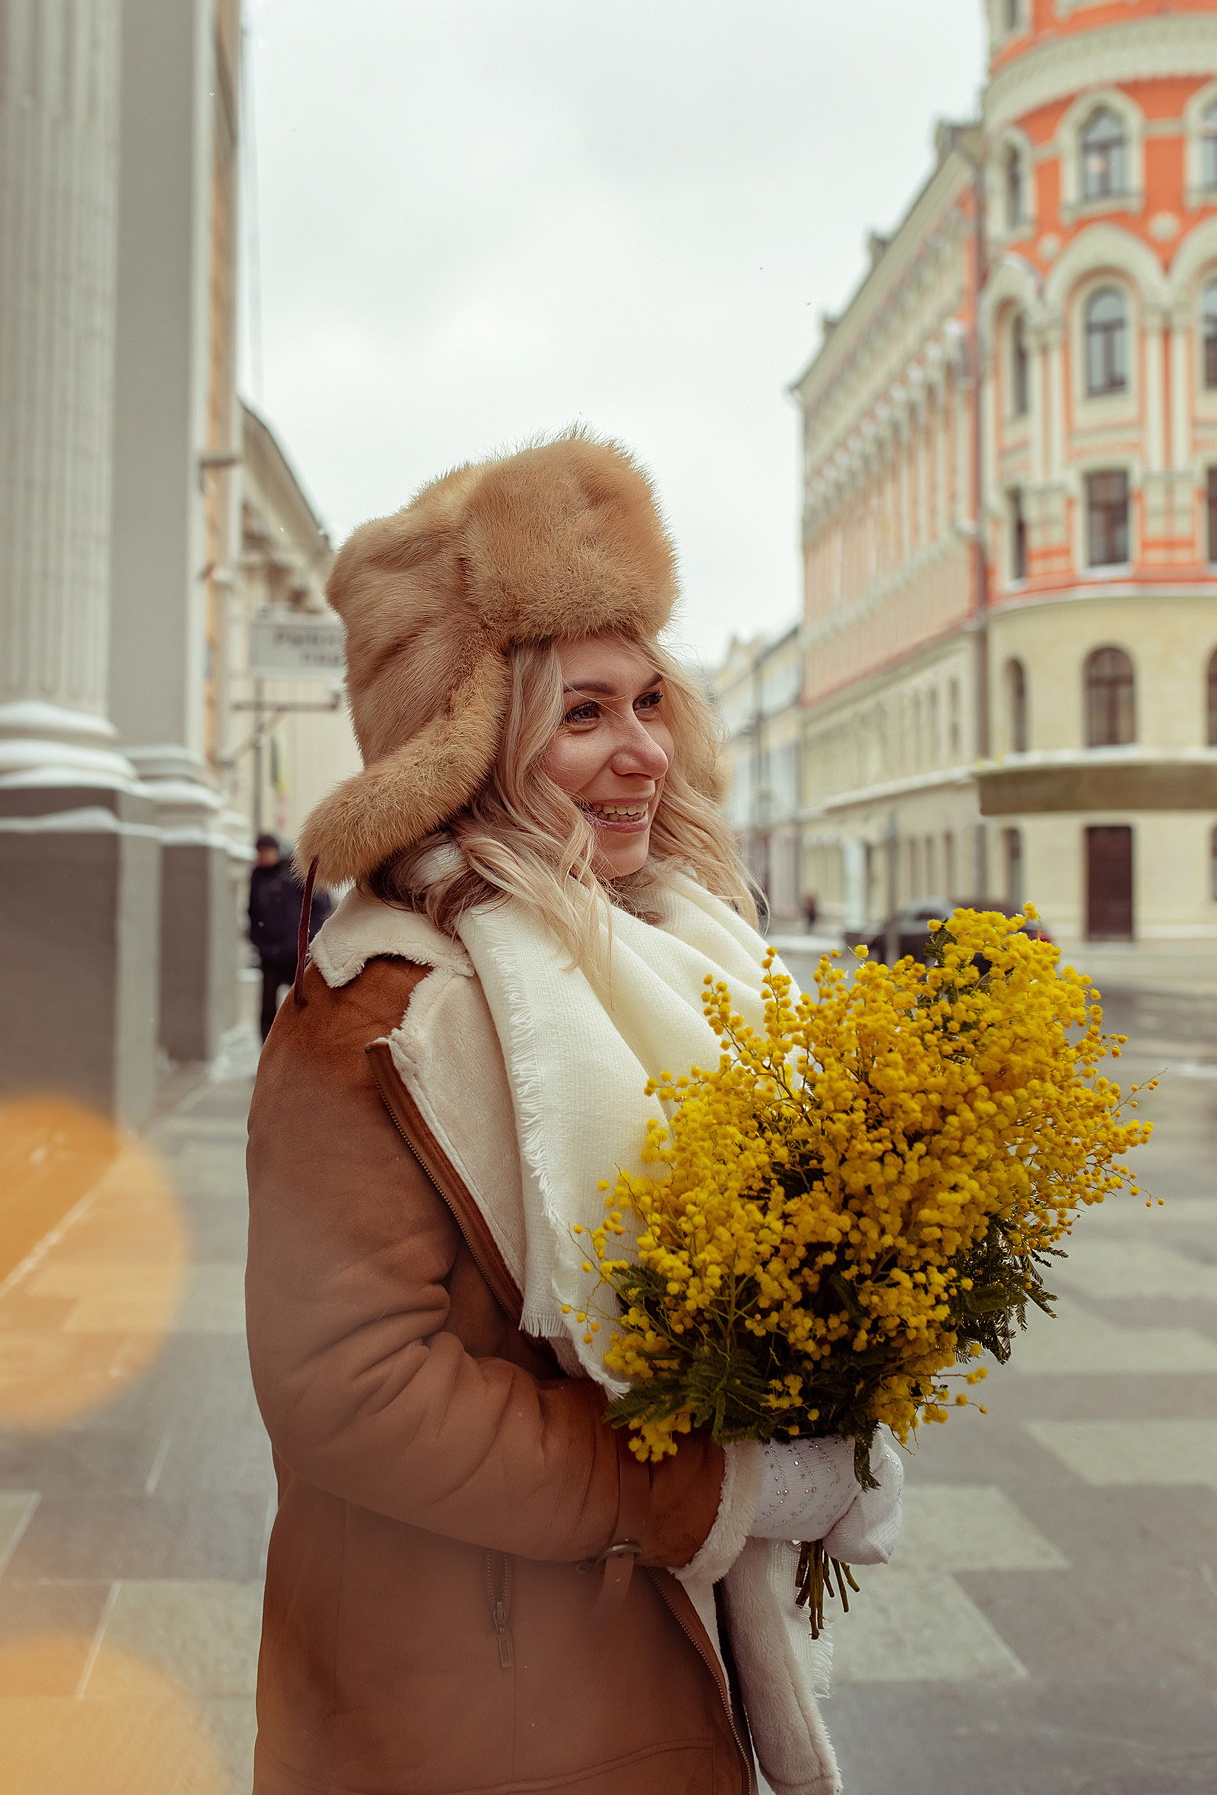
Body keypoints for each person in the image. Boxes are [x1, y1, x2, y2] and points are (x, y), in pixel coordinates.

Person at [245, 432, 902, 1795]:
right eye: (583, 713)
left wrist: (829, 1405)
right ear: (474, 746)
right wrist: (710, 1490)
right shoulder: (378, 1012)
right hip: (465, 1698)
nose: (641, 755)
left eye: (651, 703)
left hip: (655, 1656)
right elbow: (349, 1391)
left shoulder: (682, 957)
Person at [247, 834, 329, 1038]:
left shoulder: (296, 872)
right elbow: (253, 912)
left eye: (266, 851)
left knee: (301, 1004)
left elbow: (320, 906)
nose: (262, 856)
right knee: (267, 1009)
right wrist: (258, 941)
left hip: (296, 956)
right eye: (259, 852)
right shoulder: (258, 875)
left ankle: (300, 1050)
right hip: (269, 956)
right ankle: (267, 1054)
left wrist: (305, 940)